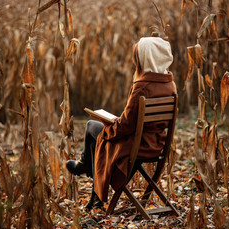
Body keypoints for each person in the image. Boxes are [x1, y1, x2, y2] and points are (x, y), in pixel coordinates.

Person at [66, 36, 177, 209]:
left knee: (92, 128)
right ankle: (88, 175)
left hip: (136, 146)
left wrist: (108, 128)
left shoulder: (142, 86)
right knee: (98, 135)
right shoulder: (170, 84)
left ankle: (86, 168)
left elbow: (125, 126)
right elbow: (134, 120)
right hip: (156, 144)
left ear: (144, 58)